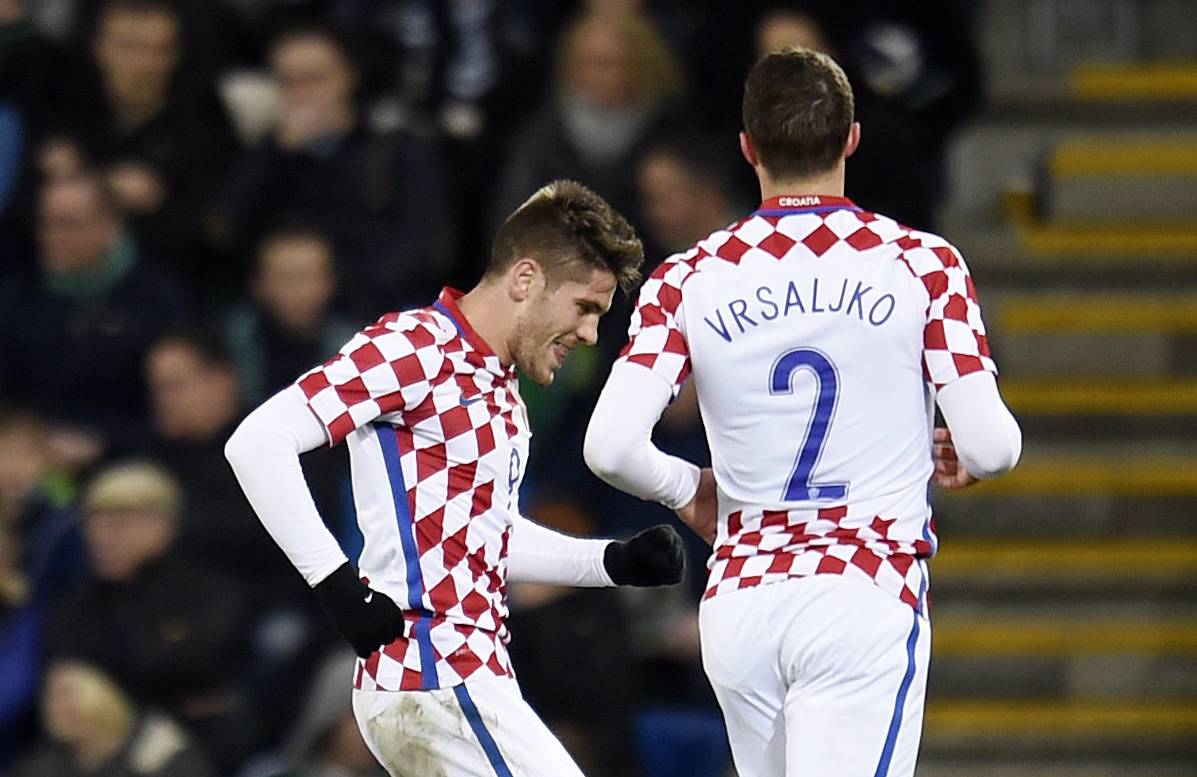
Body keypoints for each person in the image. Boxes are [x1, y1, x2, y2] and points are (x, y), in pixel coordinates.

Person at [583, 48, 1022, 777]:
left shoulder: (685, 275)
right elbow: (994, 445)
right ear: (850, 137)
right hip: (862, 588)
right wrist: (962, 455)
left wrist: (688, 489)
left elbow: (609, 447)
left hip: (742, 601)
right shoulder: (921, 262)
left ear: (747, 149)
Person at [225, 179, 686, 776]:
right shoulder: (415, 346)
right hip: (435, 672)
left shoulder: (502, 392)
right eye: (585, 308)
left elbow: (484, 538)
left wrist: (608, 563)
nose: (591, 334)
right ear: (525, 279)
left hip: (461, 677)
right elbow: (258, 442)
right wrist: (335, 585)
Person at [13, 659, 215, 777]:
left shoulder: (157, 744)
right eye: (51, 698)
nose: (56, 707)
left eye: (67, 696)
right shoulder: (45, 764)